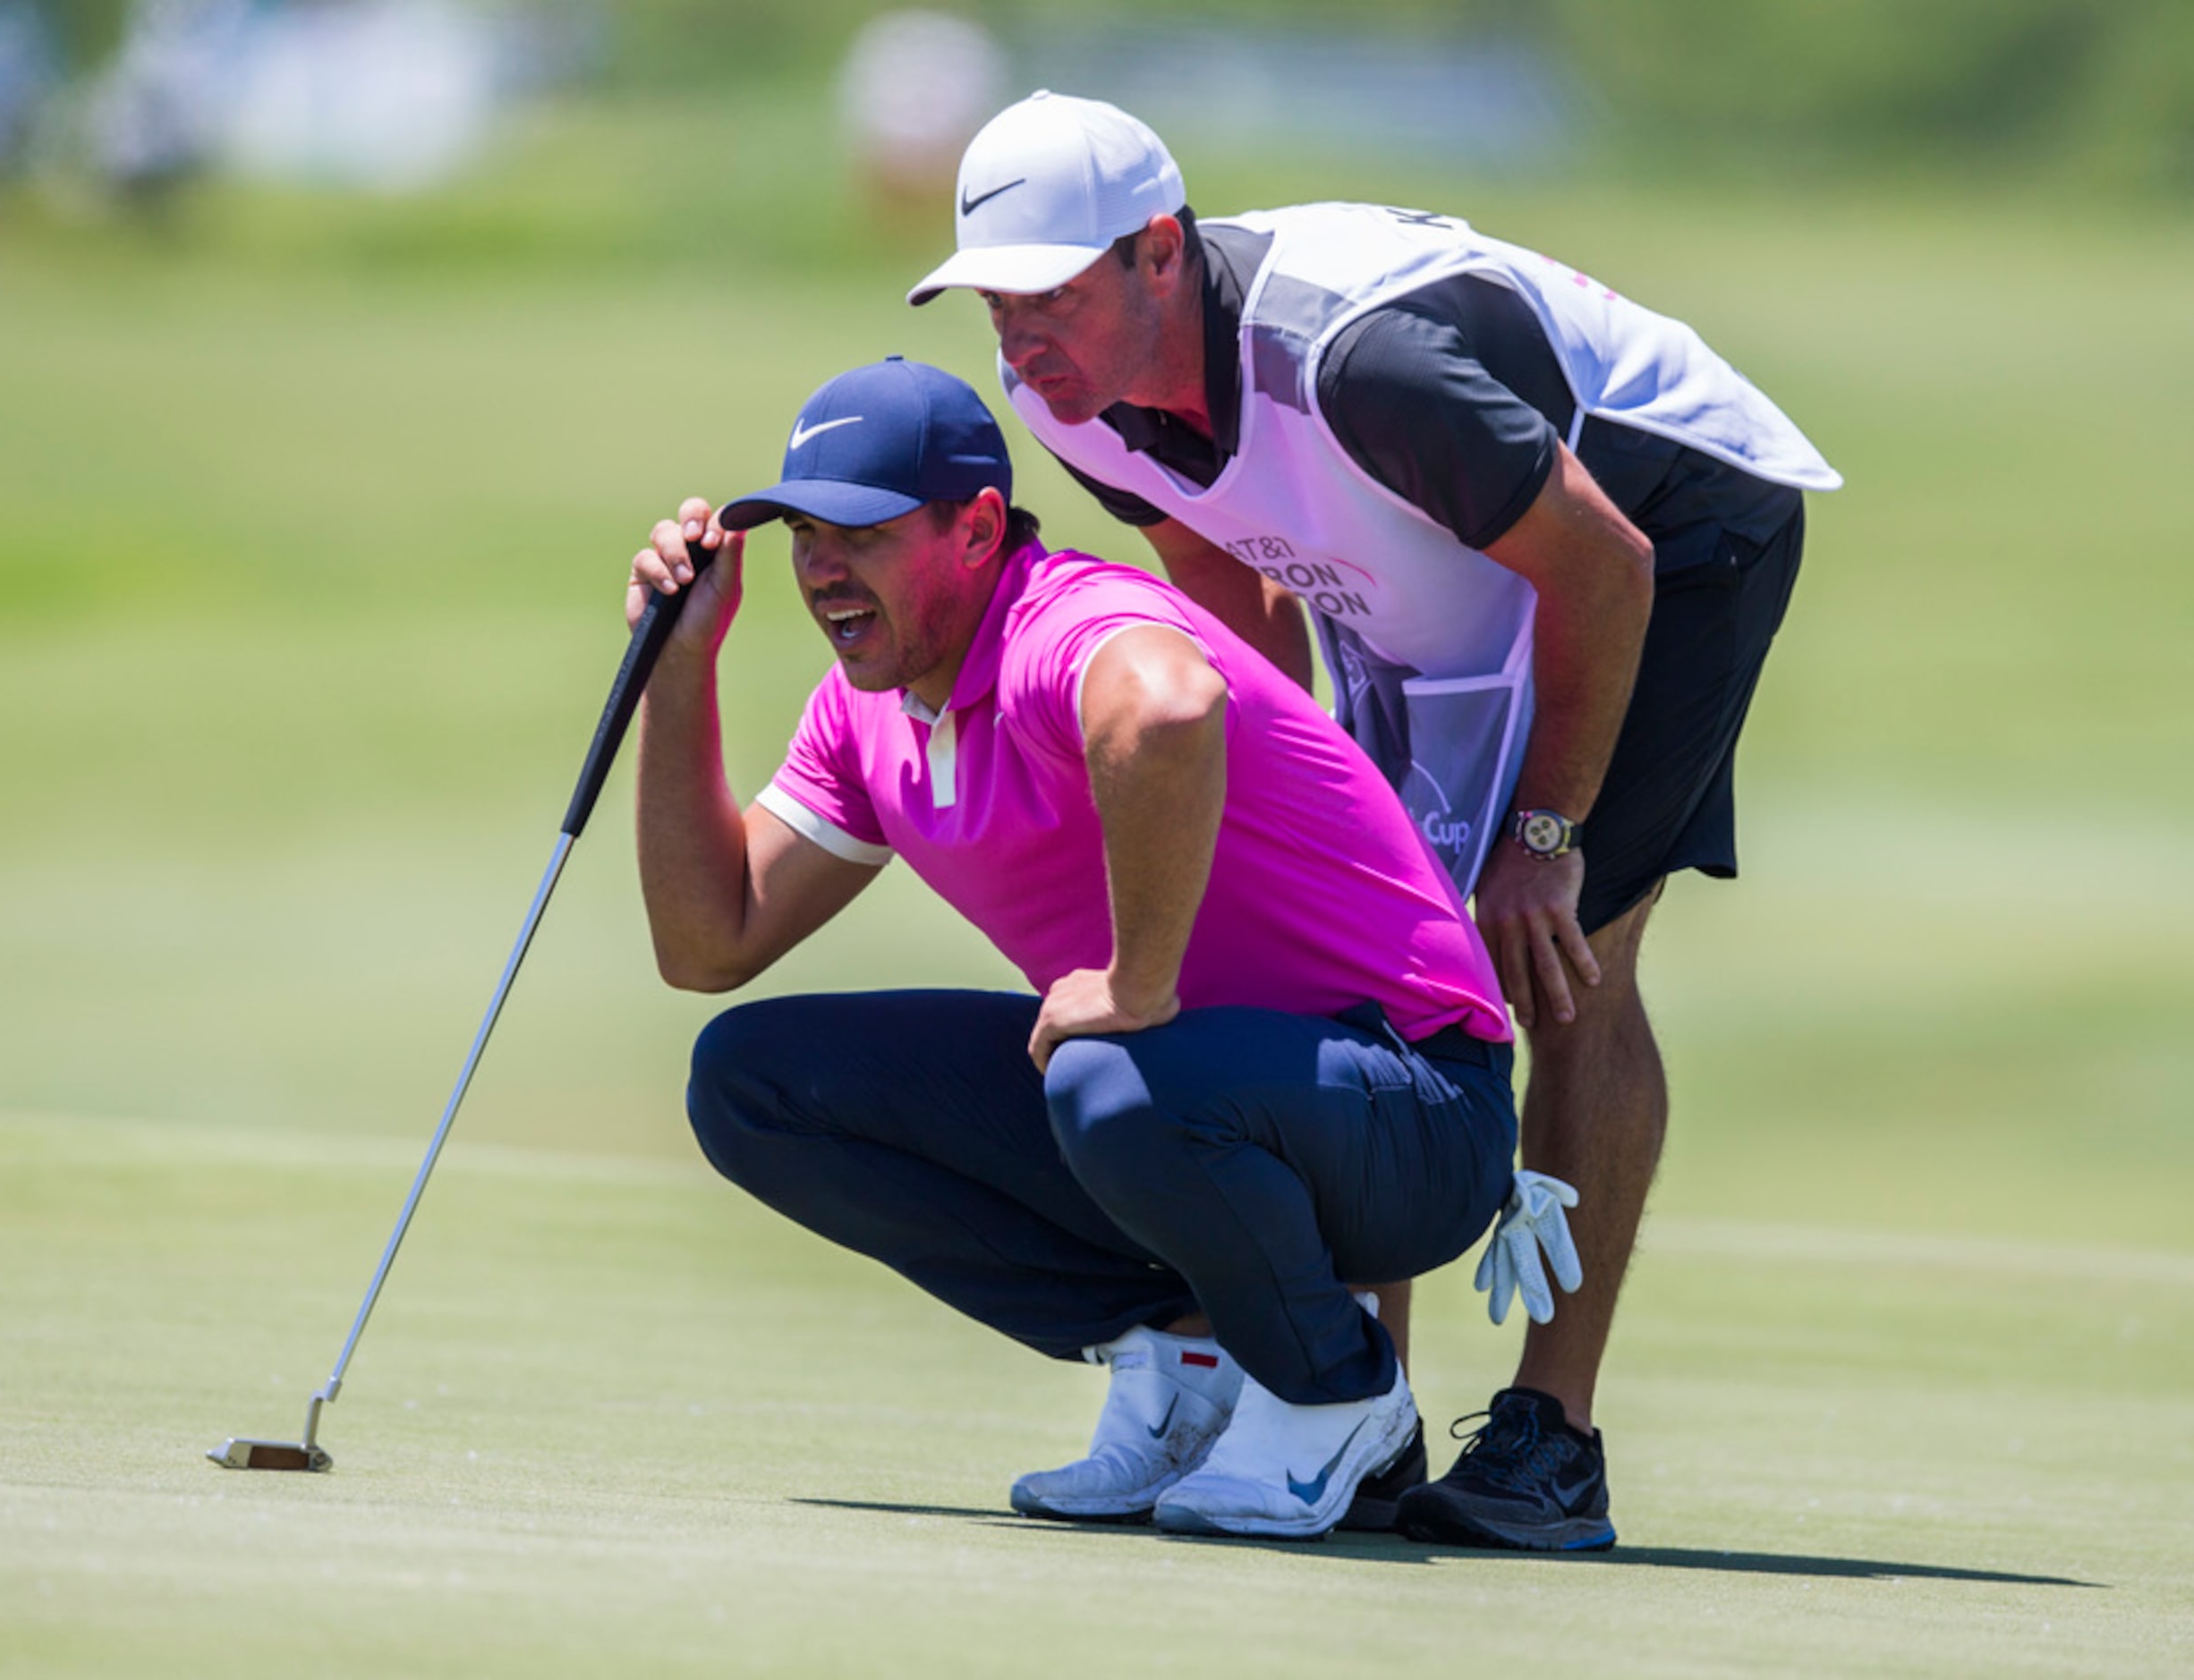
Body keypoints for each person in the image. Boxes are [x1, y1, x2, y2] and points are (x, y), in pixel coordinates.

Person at [908, 91, 1841, 1552]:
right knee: (1359, 951)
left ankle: (1555, 1441)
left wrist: (1543, 837)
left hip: (1671, 524)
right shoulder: (1070, 400)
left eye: (1053, 298)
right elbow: (1236, 602)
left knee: (1559, 946)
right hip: (1438, 567)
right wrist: (1295, 839)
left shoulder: (1361, 363)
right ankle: (1364, 1408)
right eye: (995, 308)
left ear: (1161, 252)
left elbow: (1603, 565)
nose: (1020, 343)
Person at [627, 355, 1562, 1540]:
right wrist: (679, 672)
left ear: (974, 529)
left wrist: (1136, 980)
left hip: (1418, 1110)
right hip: (1203, 1105)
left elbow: (1169, 704)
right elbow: (711, 940)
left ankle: (1339, 1390)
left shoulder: (1061, 618)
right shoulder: (867, 711)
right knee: (755, 1082)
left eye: (859, 533)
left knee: (1109, 1073)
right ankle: (1190, 1358)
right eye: (805, 533)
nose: (820, 569)